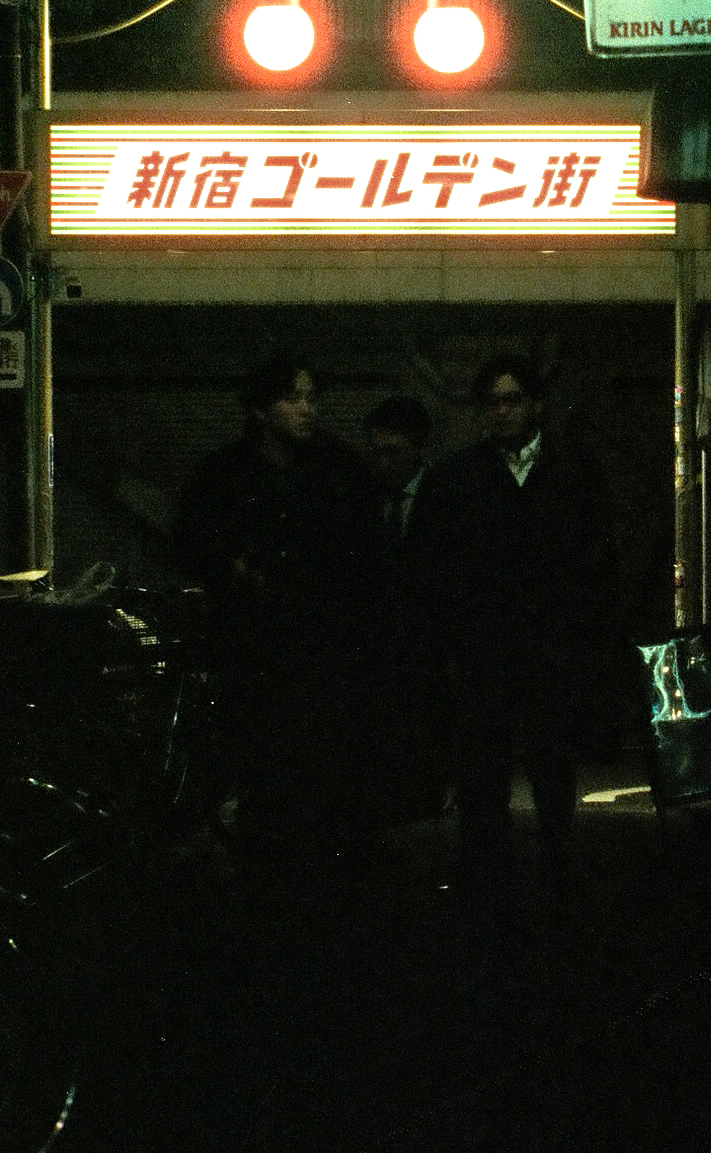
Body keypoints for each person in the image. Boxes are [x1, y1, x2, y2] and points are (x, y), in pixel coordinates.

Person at [173, 351, 381, 902]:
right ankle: (272, 879)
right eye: (294, 398)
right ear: (261, 409)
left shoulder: (339, 469)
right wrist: (236, 569)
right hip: (255, 649)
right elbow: (191, 542)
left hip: (323, 646)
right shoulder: (225, 473)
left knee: (323, 768)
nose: (307, 409)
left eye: (312, 397)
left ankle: (317, 879)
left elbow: (368, 555)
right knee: (267, 767)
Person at [408, 352, 620, 883]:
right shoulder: (551, 470)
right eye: (494, 403)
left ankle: (525, 856)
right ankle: (512, 856)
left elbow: (597, 560)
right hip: (496, 641)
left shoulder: (474, 475)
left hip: (535, 639)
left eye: (511, 401)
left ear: (535, 405)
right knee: (493, 754)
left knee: (541, 752)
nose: (501, 412)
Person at [364, 394, 445, 827]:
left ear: (417, 449)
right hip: (380, 639)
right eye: (376, 451)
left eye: (392, 451)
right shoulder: (368, 500)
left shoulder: (442, 496)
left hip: (424, 640)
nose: (382, 462)